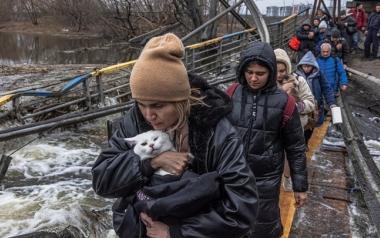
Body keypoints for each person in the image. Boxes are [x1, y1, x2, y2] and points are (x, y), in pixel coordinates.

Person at [91, 33, 259, 238]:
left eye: (158, 105)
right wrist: (150, 163)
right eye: (141, 103)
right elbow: (102, 181)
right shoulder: (135, 121)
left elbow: (242, 210)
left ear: (181, 101)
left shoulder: (217, 131)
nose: (148, 114)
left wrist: (176, 232)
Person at [227, 42, 308, 238]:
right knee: (230, 223)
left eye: (260, 73)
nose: (253, 78)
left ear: (270, 72)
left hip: (266, 178)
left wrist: (300, 186)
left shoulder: (284, 102)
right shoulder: (232, 93)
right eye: (249, 72)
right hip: (232, 174)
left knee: (262, 226)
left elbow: (296, 146)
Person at [274, 48, 316, 191]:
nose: (279, 75)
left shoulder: (299, 81)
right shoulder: (266, 83)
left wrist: (294, 107)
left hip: (295, 126)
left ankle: (286, 179)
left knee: (290, 154)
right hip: (273, 127)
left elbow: (311, 102)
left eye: (282, 70)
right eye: (276, 70)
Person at [295, 51, 336, 145]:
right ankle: (300, 144)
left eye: (308, 66)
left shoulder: (318, 75)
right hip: (302, 105)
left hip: (314, 106)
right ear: (301, 65)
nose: (306, 68)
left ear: (313, 66)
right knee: (300, 125)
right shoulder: (296, 76)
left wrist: (331, 103)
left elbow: (326, 88)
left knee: (311, 125)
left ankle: (305, 143)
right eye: (304, 66)